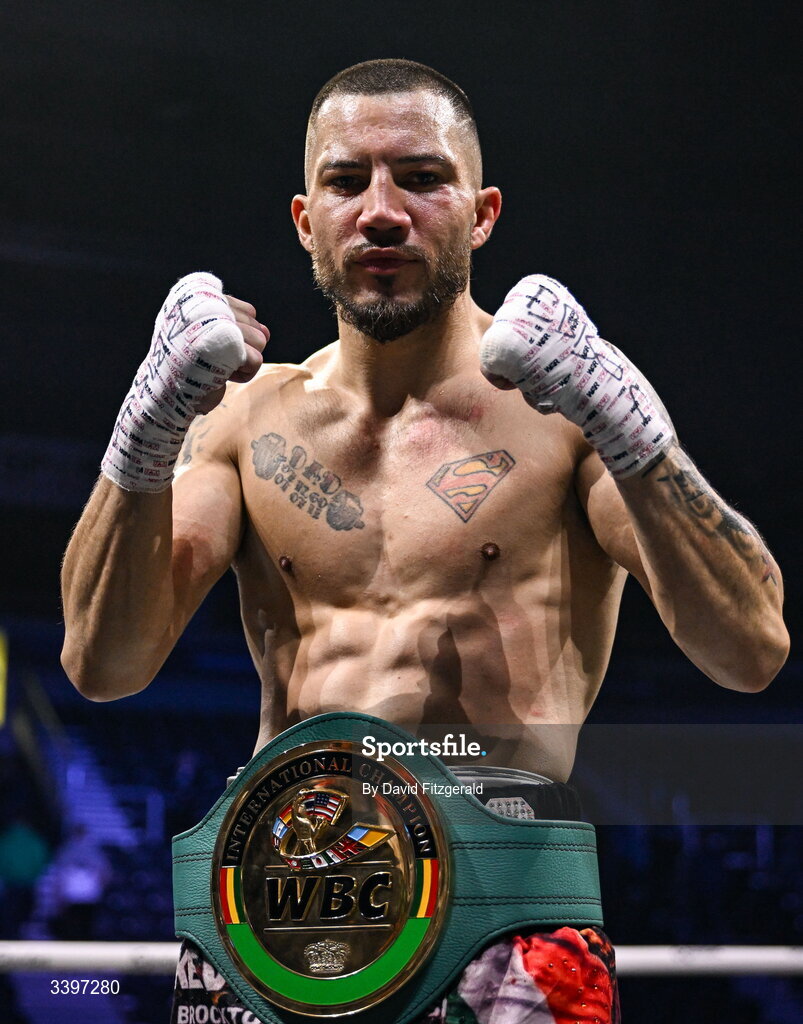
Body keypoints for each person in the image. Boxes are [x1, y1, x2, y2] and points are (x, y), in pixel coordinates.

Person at [60, 59, 788, 1024]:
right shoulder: (242, 421)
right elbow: (104, 664)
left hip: (503, 926)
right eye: (347, 181)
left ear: (482, 213)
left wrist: (629, 425)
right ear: (304, 217)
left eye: (422, 177)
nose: (382, 211)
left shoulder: (559, 417)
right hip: (273, 912)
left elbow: (749, 650)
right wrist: (144, 429)